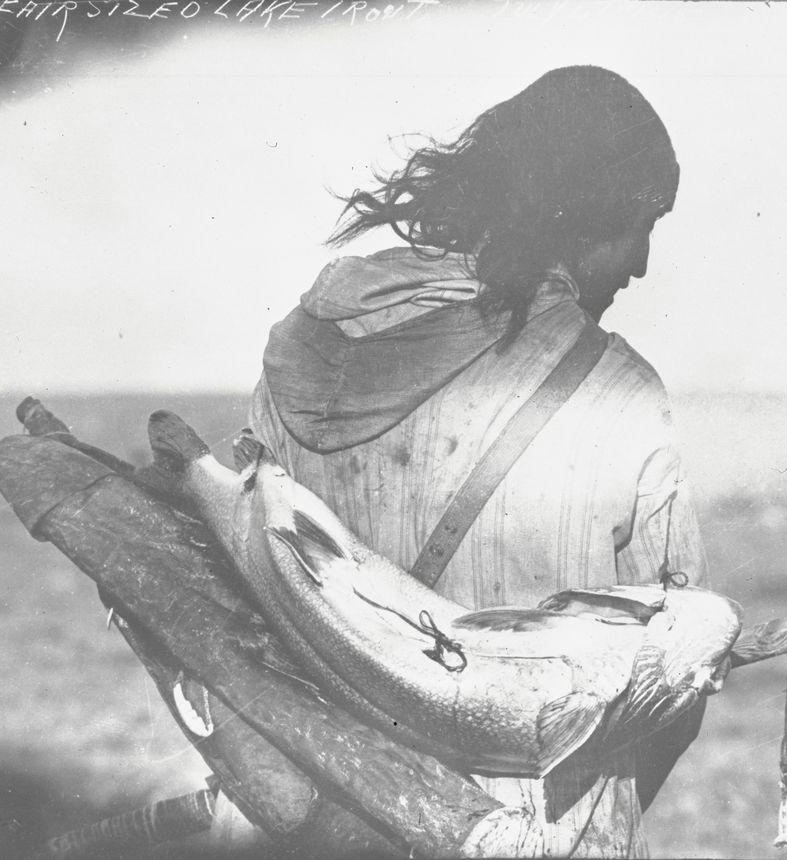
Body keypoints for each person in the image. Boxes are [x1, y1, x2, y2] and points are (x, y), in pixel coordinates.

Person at [236, 65, 708, 857]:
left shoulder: (299, 356)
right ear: (583, 213)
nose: (642, 264)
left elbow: (250, 596)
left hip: (331, 825)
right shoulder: (621, 393)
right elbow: (675, 687)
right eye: (641, 224)